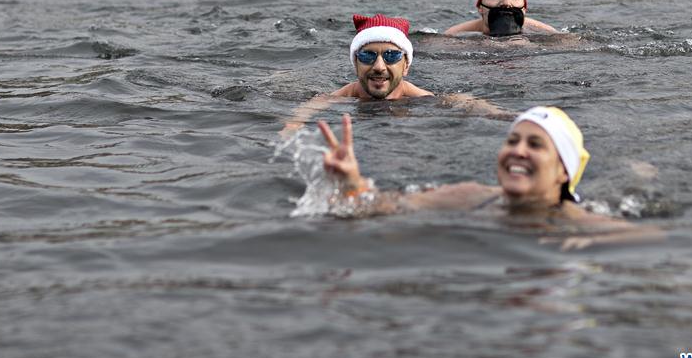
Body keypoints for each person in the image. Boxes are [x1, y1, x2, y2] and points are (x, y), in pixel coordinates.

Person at [316, 107, 663, 249]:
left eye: (536, 145)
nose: (518, 151)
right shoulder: (467, 196)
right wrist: (350, 183)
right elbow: (375, 207)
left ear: (563, 171)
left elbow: (664, 243)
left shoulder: (587, 228)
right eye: (512, 141)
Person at [280, 14, 508, 136]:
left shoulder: (418, 96)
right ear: (355, 64)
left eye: (390, 56)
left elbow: (454, 100)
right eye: (368, 56)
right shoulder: (346, 95)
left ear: (406, 66)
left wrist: (498, 114)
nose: (379, 66)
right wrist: (292, 127)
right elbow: (312, 106)